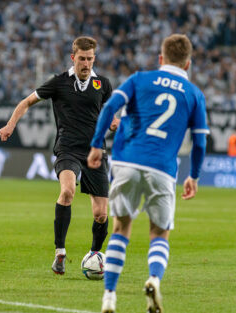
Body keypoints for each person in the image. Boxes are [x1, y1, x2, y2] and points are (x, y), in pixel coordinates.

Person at [87, 34, 209, 313]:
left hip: (127, 161)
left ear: (160, 58)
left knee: (120, 227)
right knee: (159, 232)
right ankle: (153, 278)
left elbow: (109, 108)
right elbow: (200, 141)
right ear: (188, 64)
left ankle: (109, 297)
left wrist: (96, 144)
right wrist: (195, 176)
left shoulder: (139, 79)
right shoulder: (194, 94)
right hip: (162, 168)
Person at [0, 36, 119, 275]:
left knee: (101, 213)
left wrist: (115, 120)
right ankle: (60, 252)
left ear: (94, 58)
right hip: (67, 149)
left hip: (95, 153)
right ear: (73, 57)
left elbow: (113, 109)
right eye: (82, 59)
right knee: (67, 191)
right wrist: (10, 124)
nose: (86, 64)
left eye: (90, 59)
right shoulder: (58, 82)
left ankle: (95, 253)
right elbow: (26, 102)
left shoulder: (103, 84)